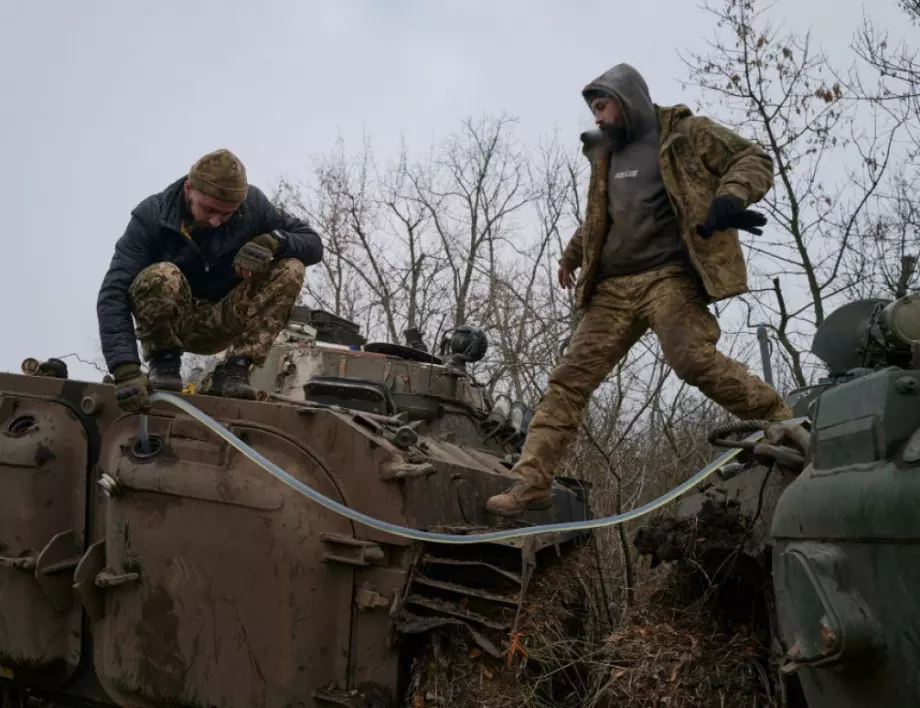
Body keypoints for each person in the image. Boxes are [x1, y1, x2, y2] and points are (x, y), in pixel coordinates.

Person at [485, 63, 793, 518]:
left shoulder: (686, 134)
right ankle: (531, 483)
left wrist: (731, 195)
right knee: (568, 380)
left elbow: (754, 159)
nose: (597, 117)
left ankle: (782, 421)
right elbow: (604, 214)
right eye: (592, 109)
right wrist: (573, 254)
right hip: (611, 288)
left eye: (602, 106)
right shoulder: (606, 153)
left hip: (668, 276)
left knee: (691, 358)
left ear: (626, 98)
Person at [96, 148, 324, 413]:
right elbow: (113, 292)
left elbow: (313, 243)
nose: (216, 221)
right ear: (189, 188)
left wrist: (274, 241)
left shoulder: (254, 207)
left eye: (227, 214)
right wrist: (125, 369)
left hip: (225, 317)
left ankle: (234, 370)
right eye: (209, 210)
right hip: (173, 322)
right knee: (161, 275)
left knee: (291, 267)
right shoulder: (151, 217)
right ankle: (165, 365)